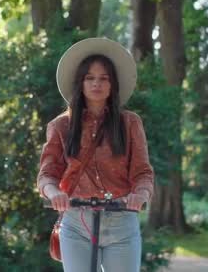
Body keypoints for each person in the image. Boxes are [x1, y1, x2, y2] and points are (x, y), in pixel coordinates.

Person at [37, 37, 154, 271]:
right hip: (77, 222)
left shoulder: (130, 123)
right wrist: (55, 193)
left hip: (122, 221)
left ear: (113, 85)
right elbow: (47, 174)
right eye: (89, 78)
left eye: (103, 78)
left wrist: (140, 195)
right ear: (80, 83)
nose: (96, 84)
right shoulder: (61, 126)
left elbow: (142, 173)